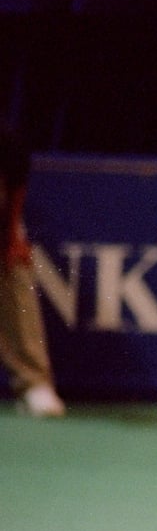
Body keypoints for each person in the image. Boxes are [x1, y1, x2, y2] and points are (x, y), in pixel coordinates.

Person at [0, 126, 65, 417]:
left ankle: (32, 384)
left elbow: (14, 184)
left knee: (15, 270)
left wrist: (12, 237)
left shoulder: (6, 137)